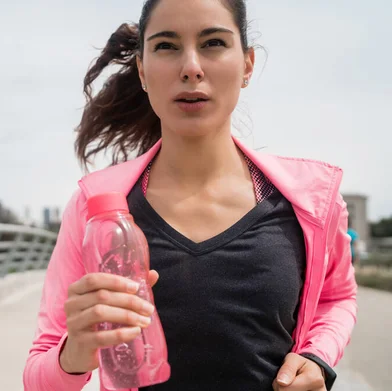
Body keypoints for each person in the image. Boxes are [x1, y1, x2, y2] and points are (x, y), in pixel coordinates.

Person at [23, 0, 357, 390]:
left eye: (213, 43)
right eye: (167, 46)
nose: (191, 68)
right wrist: (75, 351)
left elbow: (337, 299)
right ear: (143, 72)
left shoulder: (311, 201)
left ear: (247, 64)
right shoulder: (96, 209)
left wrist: (317, 357)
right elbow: (39, 378)